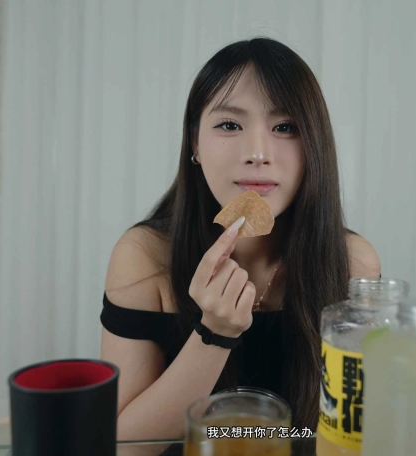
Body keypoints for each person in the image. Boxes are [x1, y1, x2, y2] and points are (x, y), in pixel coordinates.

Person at [100, 37, 381, 441]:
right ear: (195, 142)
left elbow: (355, 430)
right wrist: (214, 333)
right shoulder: (145, 257)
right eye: (230, 125)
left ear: (314, 146)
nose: (258, 153)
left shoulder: (354, 263)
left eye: (285, 127)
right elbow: (124, 446)